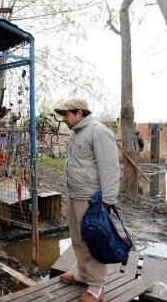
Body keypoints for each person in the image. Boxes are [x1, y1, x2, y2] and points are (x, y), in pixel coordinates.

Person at [54, 98, 120, 302]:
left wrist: (107, 201)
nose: (63, 119)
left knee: (93, 241)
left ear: (79, 113)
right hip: (75, 195)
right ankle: (83, 275)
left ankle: (96, 288)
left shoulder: (98, 131)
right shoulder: (76, 133)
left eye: (66, 115)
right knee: (77, 238)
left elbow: (110, 168)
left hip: (91, 200)